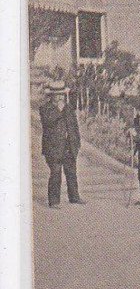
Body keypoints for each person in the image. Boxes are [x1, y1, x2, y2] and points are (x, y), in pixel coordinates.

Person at [39, 80, 85, 209]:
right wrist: (59, 111)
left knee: (71, 172)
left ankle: (74, 197)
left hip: (69, 145)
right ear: (51, 96)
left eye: (62, 94)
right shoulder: (45, 108)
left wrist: (77, 142)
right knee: (56, 172)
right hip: (53, 147)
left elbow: (74, 126)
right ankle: (54, 201)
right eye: (57, 95)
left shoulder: (69, 108)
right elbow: (48, 122)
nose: (60, 97)